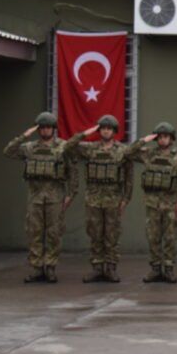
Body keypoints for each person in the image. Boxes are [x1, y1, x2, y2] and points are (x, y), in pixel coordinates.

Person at [3, 112, 78, 283]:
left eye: (48, 127)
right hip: (35, 196)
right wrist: (24, 135)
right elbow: (8, 151)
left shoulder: (62, 147)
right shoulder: (30, 148)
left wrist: (71, 194)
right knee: (34, 233)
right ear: (38, 129)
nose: (45, 130)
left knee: (54, 233)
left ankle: (50, 267)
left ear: (53, 129)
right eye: (42, 127)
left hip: (55, 196)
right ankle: (37, 268)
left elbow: (73, 172)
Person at [64, 115, 133, 283]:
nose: (106, 131)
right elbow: (67, 147)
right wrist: (86, 133)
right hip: (94, 199)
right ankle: (96, 267)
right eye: (102, 128)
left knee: (111, 235)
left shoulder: (122, 151)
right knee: (95, 234)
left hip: (113, 198)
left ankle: (110, 268)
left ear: (114, 131)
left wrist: (126, 198)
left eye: (109, 128)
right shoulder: (90, 149)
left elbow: (129, 177)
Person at [124, 122, 177, 284]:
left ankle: (168, 269)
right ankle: (155, 269)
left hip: (170, 202)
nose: (162, 140)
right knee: (153, 236)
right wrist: (144, 140)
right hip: (152, 202)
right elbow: (127, 152)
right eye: (159, 137)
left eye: (165, 137)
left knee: (170, 236)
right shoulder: (149, 154)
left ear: (171, 138)